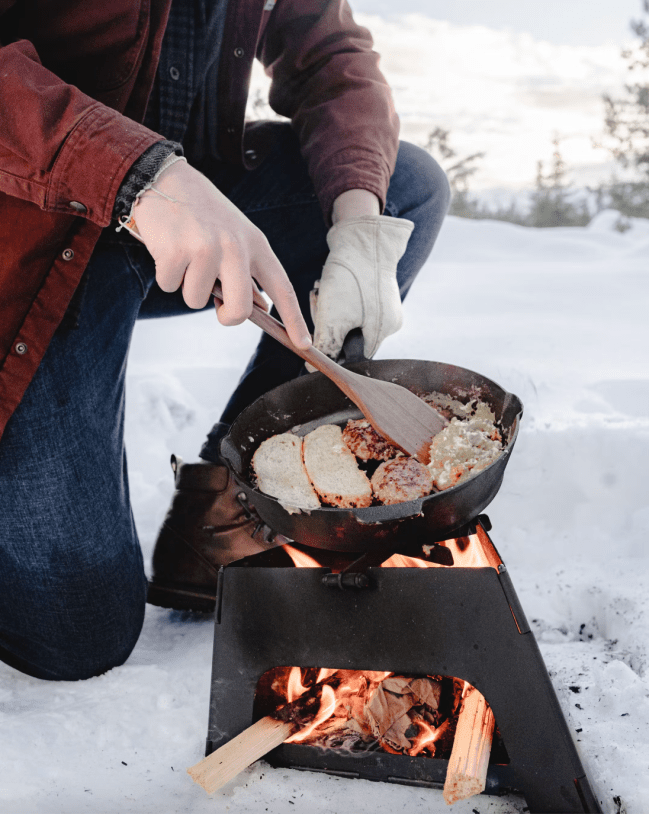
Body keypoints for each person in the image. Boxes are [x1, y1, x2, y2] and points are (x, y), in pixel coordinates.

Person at [0, 0, 450, 681]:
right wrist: (137, 173)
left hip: (170, 216)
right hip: (33, 225)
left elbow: (328, 51)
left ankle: (219, 512)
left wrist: (359, 216)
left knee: (401, 189)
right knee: (78, 635)